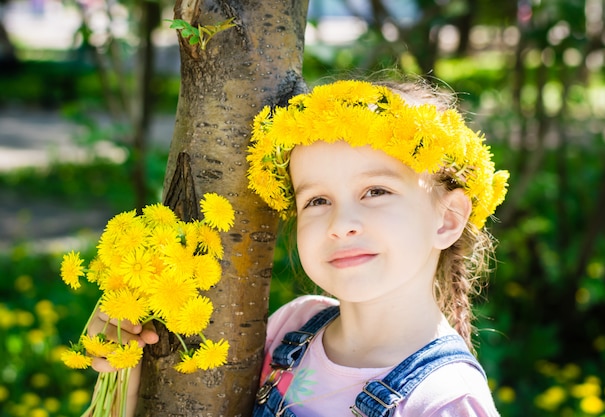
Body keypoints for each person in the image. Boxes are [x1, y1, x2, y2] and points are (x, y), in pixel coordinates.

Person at [89, 78, 509, 416]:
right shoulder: (291, 328)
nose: (341, 224)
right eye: (317, 200)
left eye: (376, 191)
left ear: (448, 218)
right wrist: (128, 386)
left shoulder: (446, 401)